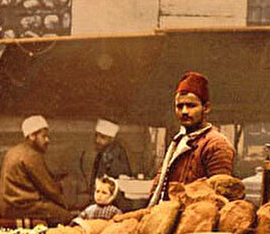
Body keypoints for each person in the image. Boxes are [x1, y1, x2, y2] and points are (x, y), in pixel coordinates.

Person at [149, 72, 235, 205]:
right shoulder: (177, 141)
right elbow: (159, 185)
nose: (184, 111)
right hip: (168, 214)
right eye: (179, 106)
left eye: (191, 106)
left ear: (206, 108)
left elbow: (220, 198)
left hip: (196, 220)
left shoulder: (217, 144)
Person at [0, 115, 72, 223]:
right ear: (32, 136)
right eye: (44, 136)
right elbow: (49, 189)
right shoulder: (31, 155)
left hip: (9, 206)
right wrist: (64, 204)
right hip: (21, 207)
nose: (47, 140)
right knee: (66, 217)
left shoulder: (15, 150)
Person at [90, 118, 131, 198]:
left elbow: (118, 175)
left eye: (102, 137)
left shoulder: (116, 152)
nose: (97, 140)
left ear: (111, 139)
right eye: (96, 136)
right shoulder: (101, 153)